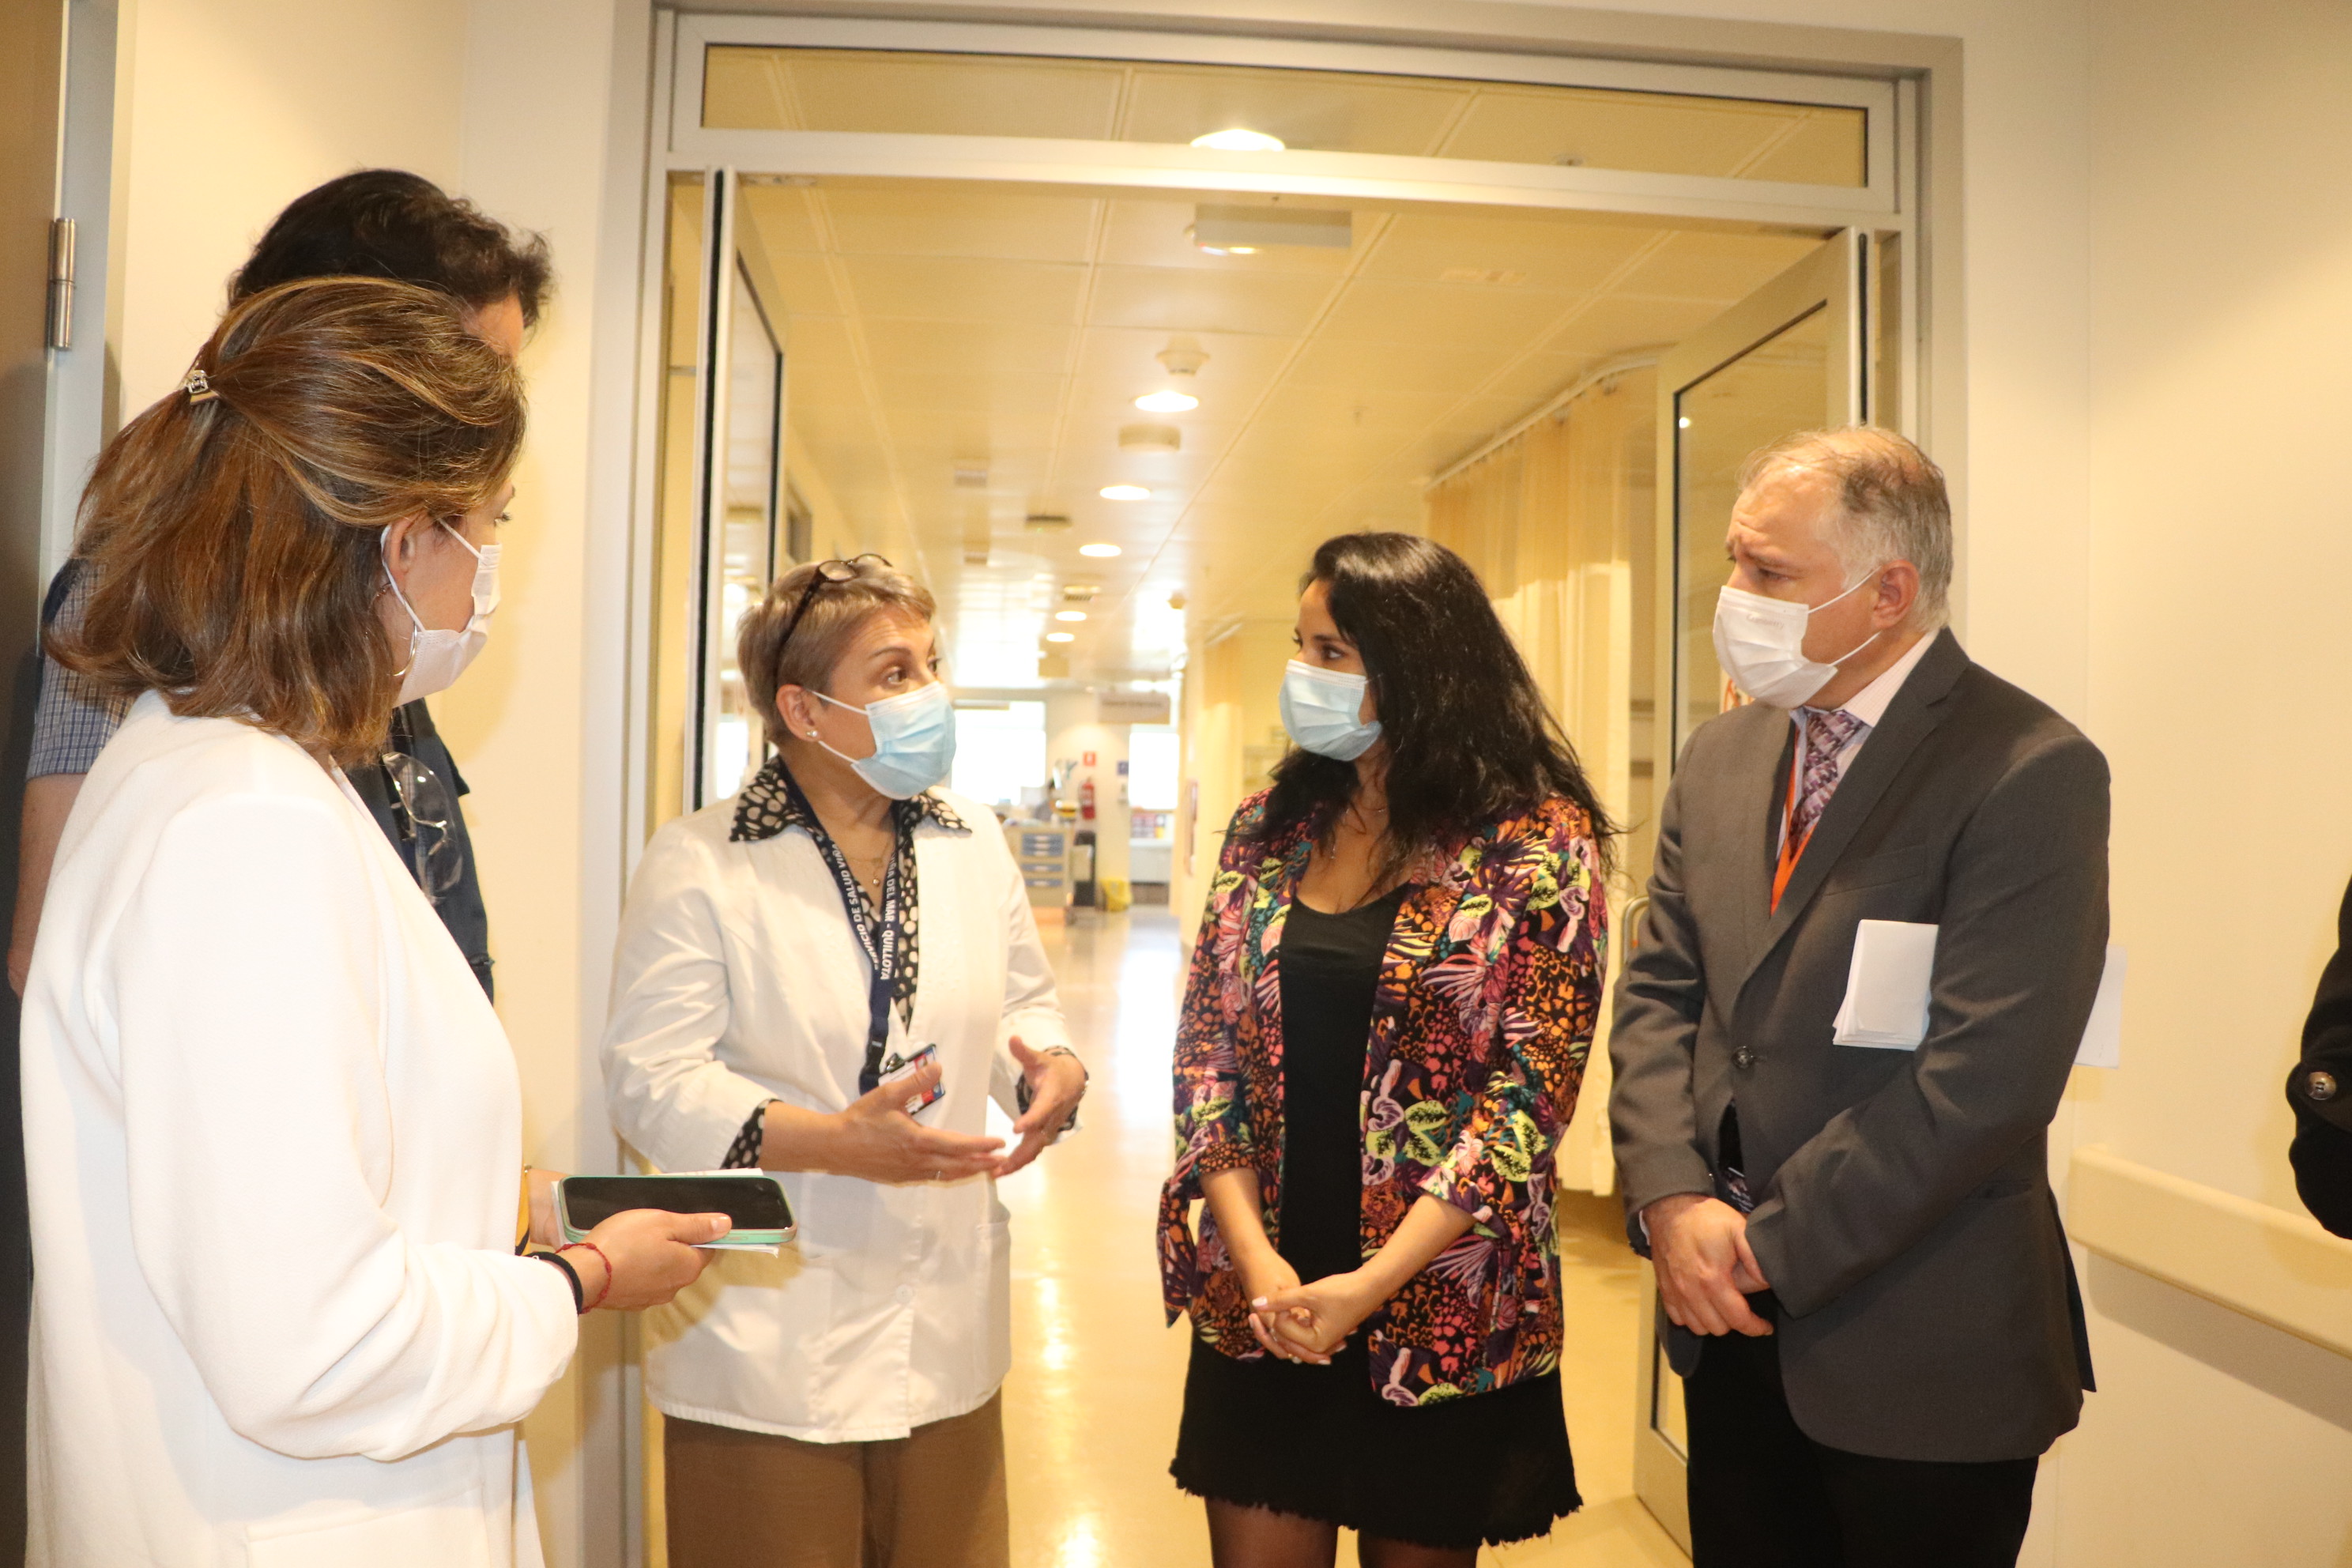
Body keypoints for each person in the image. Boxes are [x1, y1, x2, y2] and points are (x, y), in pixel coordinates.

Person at [21, 278, 724, 1567]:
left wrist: (518, 1203)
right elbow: (313, 1342)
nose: (491, 571)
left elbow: (289, 1166)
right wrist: (582, 1281)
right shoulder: (244, 824)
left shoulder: (222, 768)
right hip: (285, 1520)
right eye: (490, 525)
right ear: (405, 543)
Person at [1609, 428, 2107, 1568]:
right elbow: (1661, 994)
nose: (1736, 597)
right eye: (1735, 563)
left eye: (1770, 572)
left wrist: (1762, 1246)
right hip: (1725, 1325)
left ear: (1887, 593)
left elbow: (1988, 1077)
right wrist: (1673, 1199)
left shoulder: (2026, 767)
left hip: (1920, 1345)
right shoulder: (1723, 755)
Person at [601, 555, 1087, 1568]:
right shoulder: (703, 860)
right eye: (896, 673)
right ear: (804, 709)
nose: (931, 693)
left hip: (945, 1321)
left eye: (932, 664)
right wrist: (834, 1143)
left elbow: (1022, 999)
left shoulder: (972, 839)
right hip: (769, 1336)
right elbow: (653, 1079)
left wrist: (1049, 1065)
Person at [1159, 533, 1612, 1567]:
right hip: (1266, 1299)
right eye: (1301, 646)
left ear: (1419, 670)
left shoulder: (1536, 844)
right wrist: (1260, 1264)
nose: (1302, 673)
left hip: (1434, 1300)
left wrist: (1368, 1286)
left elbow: (1527, 1105)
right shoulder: (1267, 829)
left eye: (1331, 653)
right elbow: (1207, 1060)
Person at [7, 168, 548, 1000]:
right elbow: (56, 952)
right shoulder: (151, 597)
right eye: (472, 368)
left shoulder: (364, 610)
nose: (490, 411)